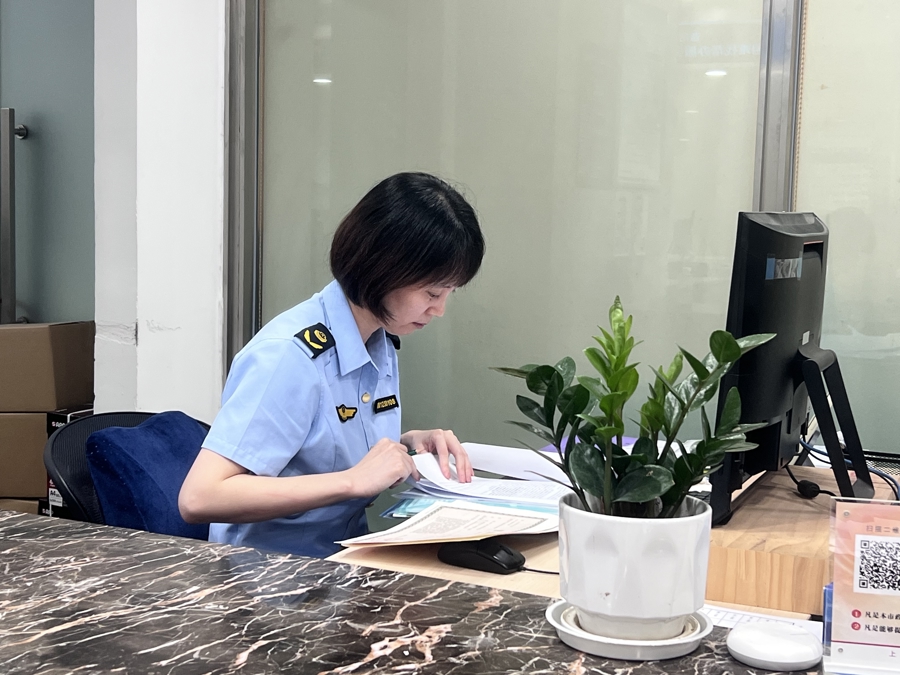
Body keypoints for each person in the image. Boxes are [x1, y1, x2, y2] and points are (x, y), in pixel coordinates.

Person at [179, 172, 485, 558]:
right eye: (432, 292)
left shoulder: (377, 340)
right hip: (268, 576)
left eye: (448, 293)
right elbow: (200, 497)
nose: (439, 310)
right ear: (384, 268)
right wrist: (351, 481)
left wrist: (407, 445)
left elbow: (325, 442)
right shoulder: (289, 357)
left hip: (345, 562)